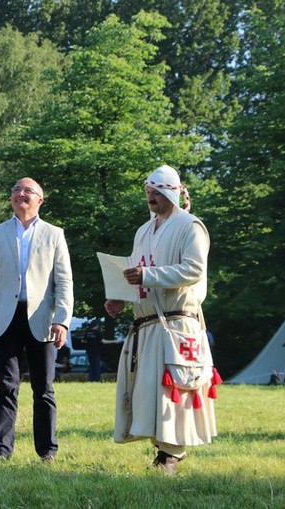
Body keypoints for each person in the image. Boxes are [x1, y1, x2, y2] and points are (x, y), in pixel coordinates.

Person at [104, 165, 219, 475]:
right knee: (147, 389)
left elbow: (193, 269)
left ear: (172, 192)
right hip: (146, 322)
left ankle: (172, 452)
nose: (151, 197)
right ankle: (162, 447)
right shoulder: (143, 231)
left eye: (156, 192)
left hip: (177, 321)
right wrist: (120, 296)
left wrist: (148, 275)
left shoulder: (190, 226)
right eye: (148, 192)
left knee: (173, 389)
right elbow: (137, 273)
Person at [0, 177, 74, 462]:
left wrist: (62, 319)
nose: (21, 194)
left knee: (43, 388)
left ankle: (47, 452)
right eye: (16, 190)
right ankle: (2, 451)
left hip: (42, 319)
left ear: (40, 200)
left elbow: (64, 281)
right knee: (6, 386)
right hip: (4, 319)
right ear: (11, 198)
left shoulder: (54, 234)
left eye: (28, 191)